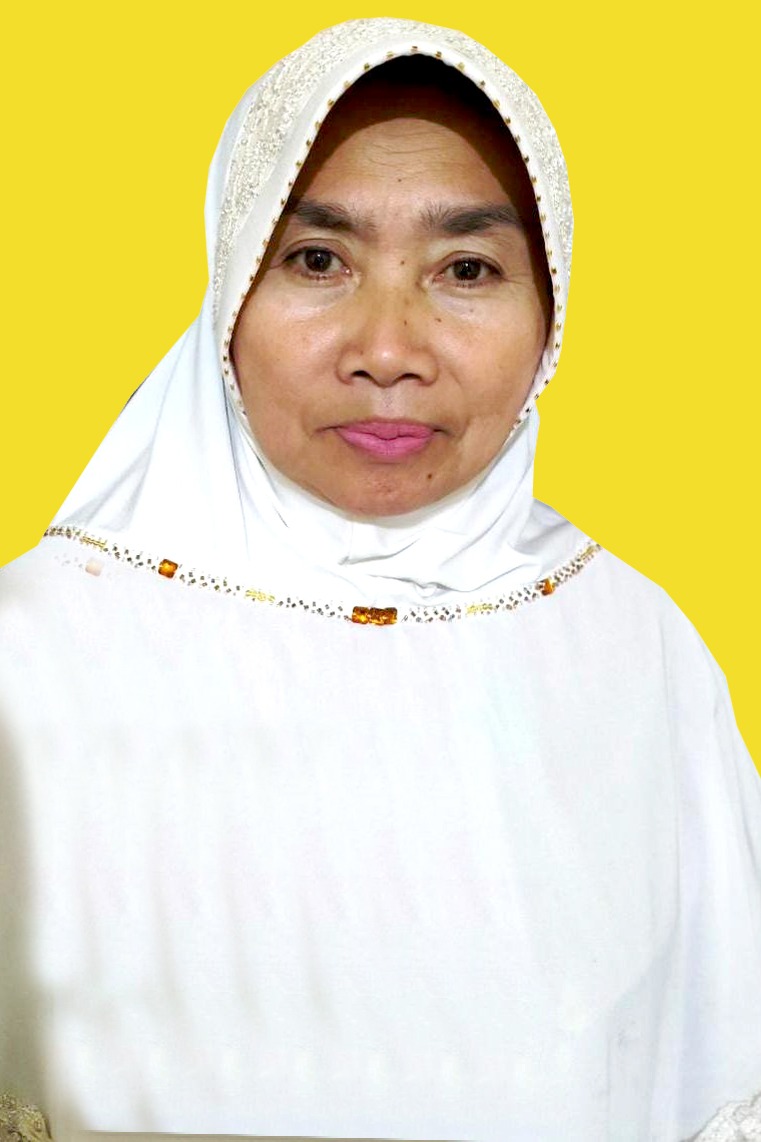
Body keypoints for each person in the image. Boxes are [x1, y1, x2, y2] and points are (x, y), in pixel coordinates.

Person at [1, 16, 759, 1142]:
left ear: (550, 314)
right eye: (317, 260)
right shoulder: (36, 654)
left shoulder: (630, 645)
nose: (389, 349)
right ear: (225, 290)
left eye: (466, 269)